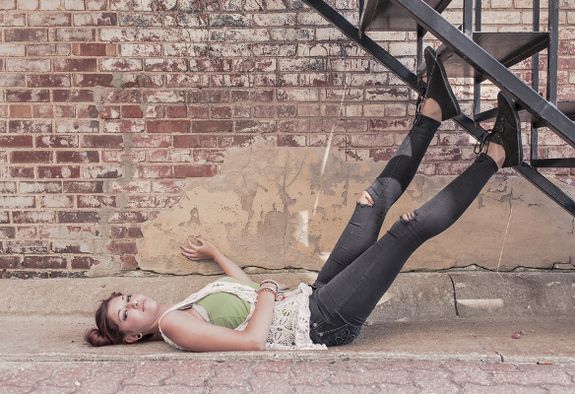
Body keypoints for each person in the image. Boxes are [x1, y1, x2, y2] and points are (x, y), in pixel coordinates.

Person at [84, 47, 522, 351]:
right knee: (406, 231)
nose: (134, 304)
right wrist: (272, 288)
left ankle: (433, 112)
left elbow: (245, 292)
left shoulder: (182, 308)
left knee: (370, 201)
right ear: (132, 336)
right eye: (126, 315)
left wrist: (217, 253)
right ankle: (496, 156)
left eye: (126, 299)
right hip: (320, 324)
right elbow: (252, 342)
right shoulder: (175, 326)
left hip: (312, 299)